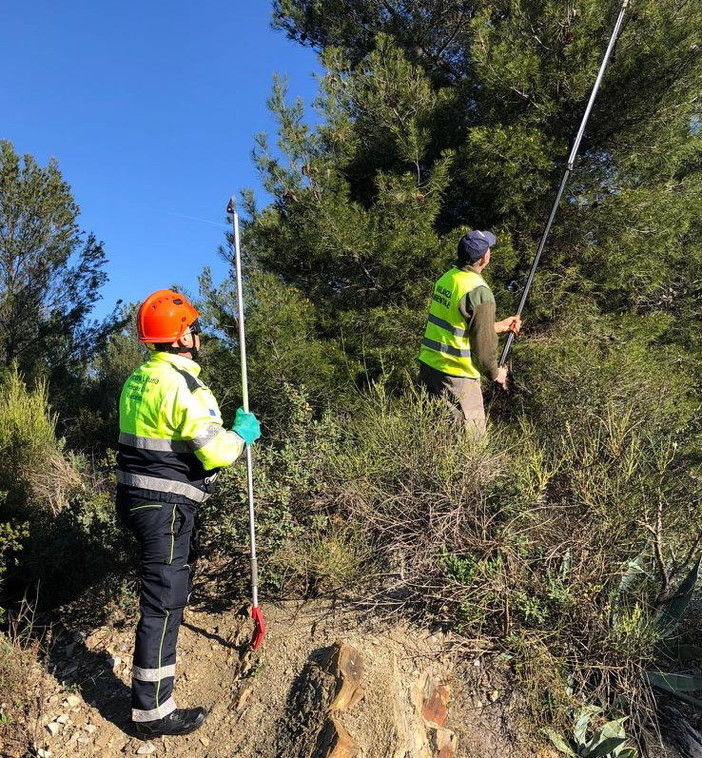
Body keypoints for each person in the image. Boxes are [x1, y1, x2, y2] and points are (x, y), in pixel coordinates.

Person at [116, 289, 261, 738]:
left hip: (137, 498)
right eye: (193, 328)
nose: (198, 334)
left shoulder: (138, 379)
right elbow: (215, 451)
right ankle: (153, 713)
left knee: (162, 592)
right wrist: (239, 434)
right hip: (167, 507)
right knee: (164, 601)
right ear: (180, 338)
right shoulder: (184, 385)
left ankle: (152, 704)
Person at [418, 230, 522, 433]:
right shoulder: (479, 291)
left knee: (433, 436)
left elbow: (457, 325)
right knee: (469, 447)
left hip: (430, 370)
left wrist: (500, 326)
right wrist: (495, 373)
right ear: (484, 258)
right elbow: (483, 346)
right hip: (458, 378)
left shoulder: (447, 278)